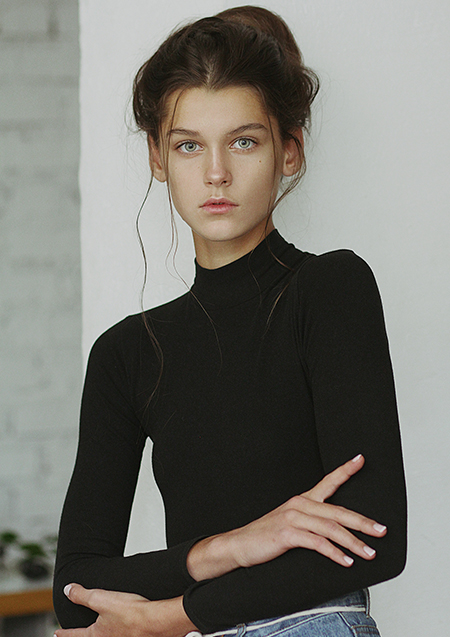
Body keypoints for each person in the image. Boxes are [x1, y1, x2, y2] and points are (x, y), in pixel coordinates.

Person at [53, 6, 407, 637]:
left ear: (289, 151)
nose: (215, 173)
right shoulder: (126, 354)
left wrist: (169, 616)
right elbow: (74, 591)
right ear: (158, 157)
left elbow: (377, 539)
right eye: (188, 145)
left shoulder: (329, 289)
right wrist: (232, 546)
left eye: (244, 141)